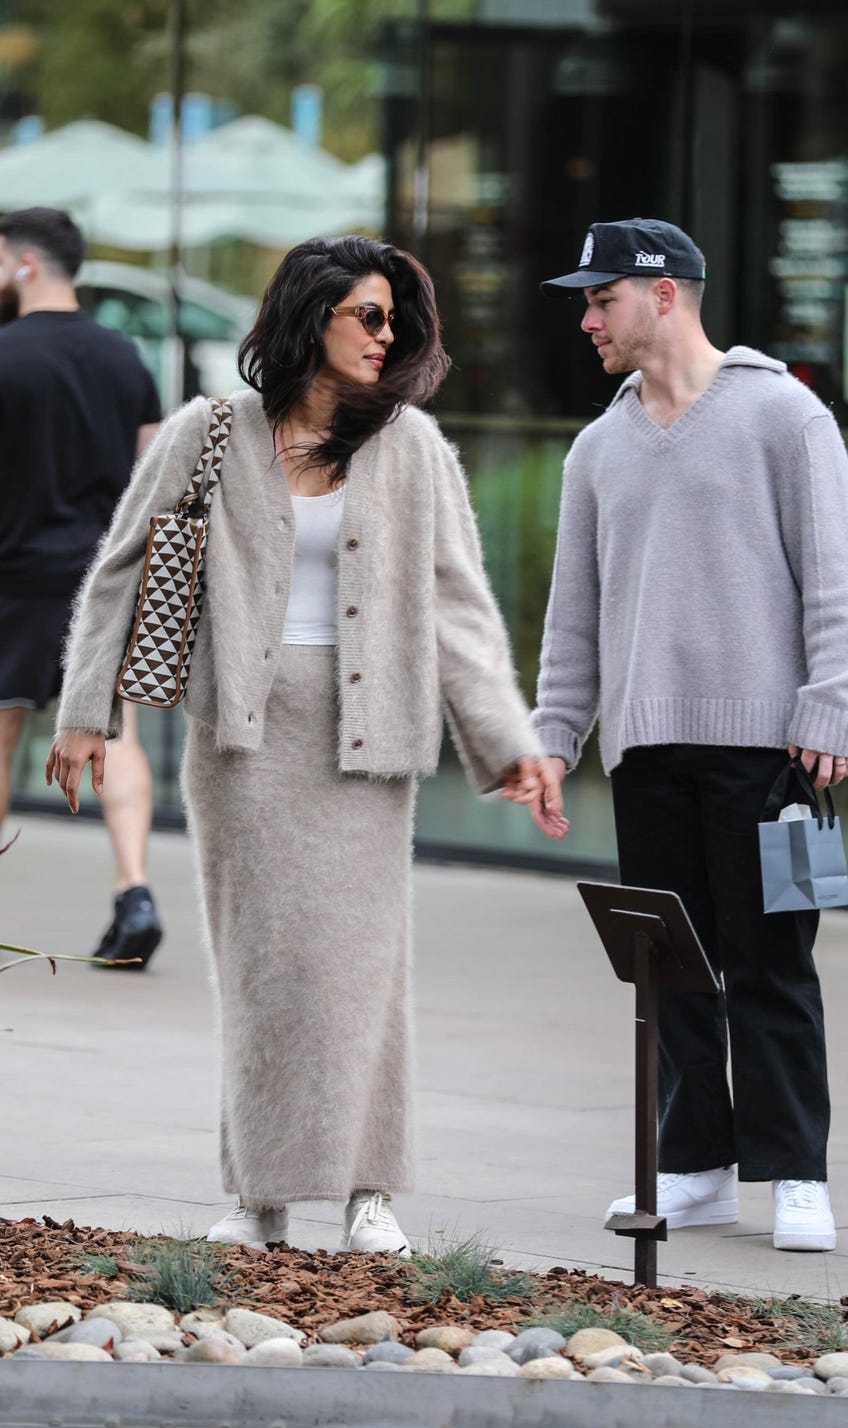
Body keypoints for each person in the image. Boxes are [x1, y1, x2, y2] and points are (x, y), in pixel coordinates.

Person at [47, 233, 565, 1256]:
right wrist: (84, 710)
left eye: (394, 321)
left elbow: (455, 606)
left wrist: (505, 737)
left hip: (365, 743)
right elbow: (123, 572)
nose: (386, 337)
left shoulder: (411, 447)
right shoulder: (209, 433)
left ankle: (370, 1192)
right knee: (262, 971)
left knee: (365, 971)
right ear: (307, 318)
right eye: (365, 316)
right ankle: (258, 1196)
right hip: (243, 745)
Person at [529, 218, 848, 1252]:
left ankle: (793, 1171)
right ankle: (692, 1167)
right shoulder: (597, 446)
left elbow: (835, 575)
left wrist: (829, 704)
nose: (586, 318)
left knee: (770, 962)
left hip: (766, 746)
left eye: (601, 299)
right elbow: (572, 615)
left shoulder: (782, 416)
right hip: (646, 750)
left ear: (665, 294)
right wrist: (554, 735)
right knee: (668, 968)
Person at [0, 207, 164, 969]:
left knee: (0, 739)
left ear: (25, 263)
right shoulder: (126, 359)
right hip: (101, 583)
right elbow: (154, 481)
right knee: (116, 735)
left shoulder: (4, 356)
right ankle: (135, 890)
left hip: (13, 577)